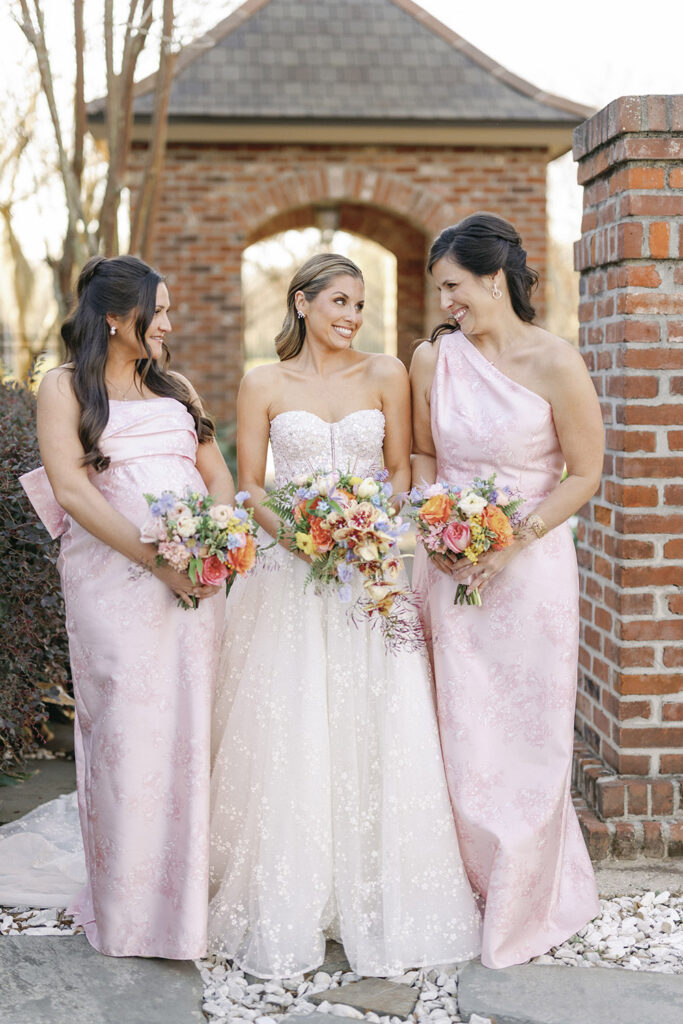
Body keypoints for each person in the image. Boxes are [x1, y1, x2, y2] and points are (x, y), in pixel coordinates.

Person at [208, 253, 481, 979]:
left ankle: (376, 889)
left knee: (376, 717)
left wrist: (366, 527)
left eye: (359, 305)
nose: (351, 316)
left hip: (370, 573)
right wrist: (300, 536)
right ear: (301, 304)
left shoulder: (385, 373)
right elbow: (251, 486)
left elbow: (399, 467)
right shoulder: (262, 382)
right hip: (287, 577)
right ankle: (289, 892)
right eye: (337, 301)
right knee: (291, 721)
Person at [19, 255, 234, 958]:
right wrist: (157, 562)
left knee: (191, 733)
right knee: (127, 736)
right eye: (158, 310)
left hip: (193, 584)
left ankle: (185, 904)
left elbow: (218, 479)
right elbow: (74, 494)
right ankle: (130, 908)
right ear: (114, 316)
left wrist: (214, 547)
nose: (169, 323)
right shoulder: (63, 388)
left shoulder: (175, 388)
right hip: (115, 584)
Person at [410, 213, 602, 969]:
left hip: (531, 574)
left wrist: (510, 540)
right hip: (448, 568)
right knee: (457, 729)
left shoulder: (556, 362)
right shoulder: (434, 360)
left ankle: (526, 892)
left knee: (527, 731)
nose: (447, 302)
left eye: (453, 286)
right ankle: (460, 890)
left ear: (494, 277)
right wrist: (437, 528)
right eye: (440, 291)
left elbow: (583, 473)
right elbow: (425, 454)